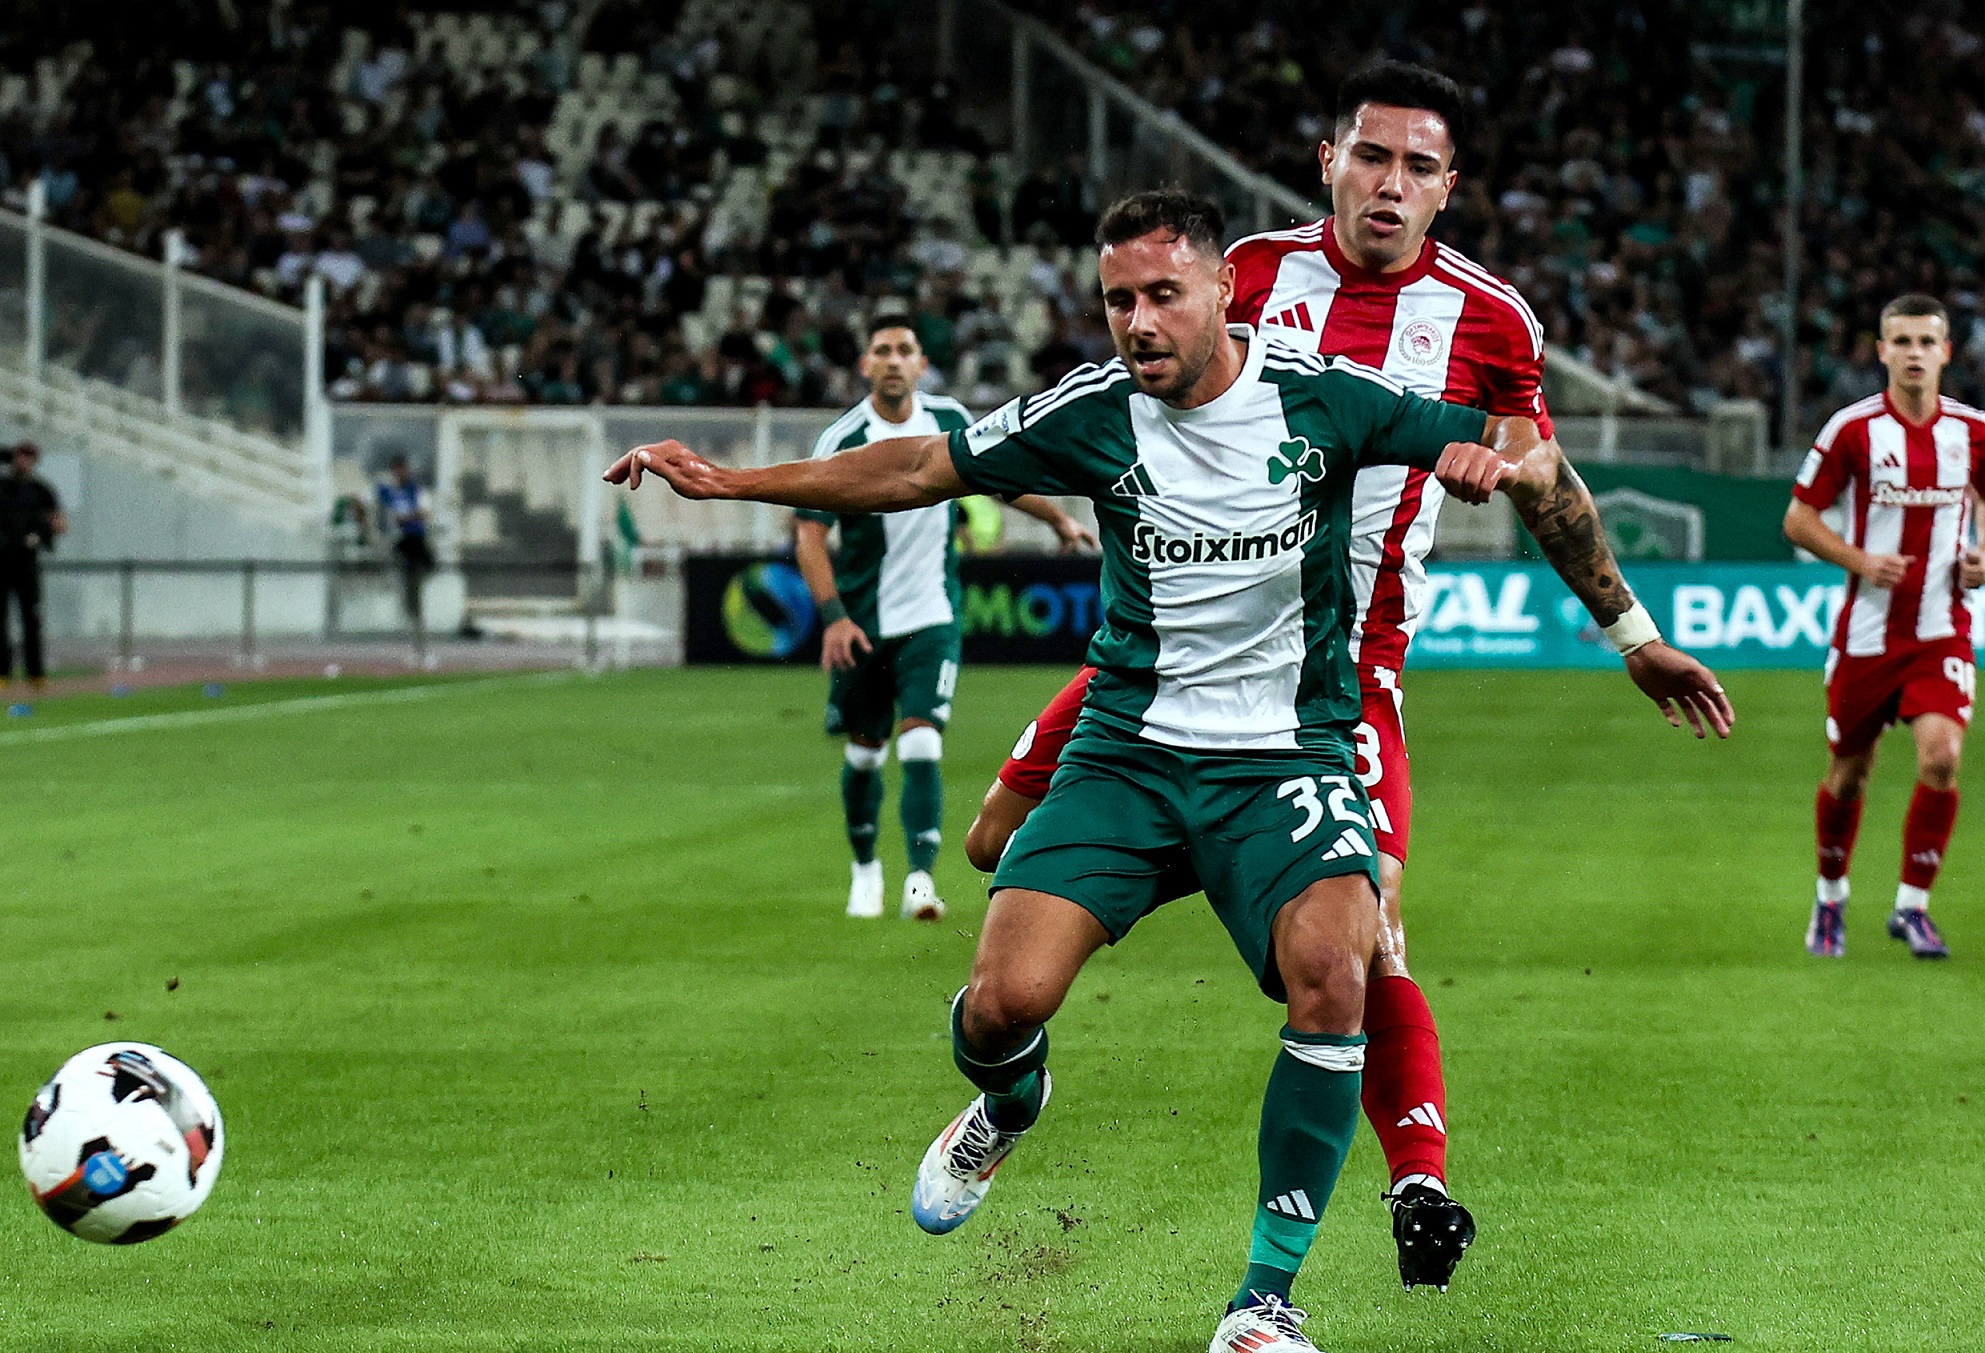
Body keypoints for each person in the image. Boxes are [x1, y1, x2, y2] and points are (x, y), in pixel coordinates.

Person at [607, 189, 1732, 1353]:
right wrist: (733, 484)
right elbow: (917, 469)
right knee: (1000, 1006)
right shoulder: (1091, 413)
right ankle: (1008, 1097)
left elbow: (1530, 460)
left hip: (1282, 755)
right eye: (1115, 301)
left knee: (1338, 970)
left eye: (1160, 296)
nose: (1136, 323)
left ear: (1222, 292)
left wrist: (1612, 615)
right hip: (1129, 749)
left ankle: (1262, 1303)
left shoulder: (1323, 398)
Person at [964, 58, 1732, 1297]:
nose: (1389, 184)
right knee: (988, 843)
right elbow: (1135, 394)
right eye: (1368, 156)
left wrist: (1629, 632)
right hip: (1161, 647)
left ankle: (1410, 1181)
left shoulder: (1491, 322)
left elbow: (1540, 481)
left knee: (1366, 936)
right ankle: (1014, 1074)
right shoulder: (1243, 273)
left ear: (1448, 187)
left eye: (1416, 166)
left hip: (1341, 673)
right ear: (1328, 160)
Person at [794, 318, 1094, 922]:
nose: (894, 361)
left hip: (932, 616)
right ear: (865, 366)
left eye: (905, 350)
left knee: (924, 739)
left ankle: (920, 881)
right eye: (882, 351)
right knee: (864, 753)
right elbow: (809, 533)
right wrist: (833, 617)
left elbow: (1002, 480)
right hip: (862, 623)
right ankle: (864, 869)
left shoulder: (950, 420)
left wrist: (1056, 519)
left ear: (921, 362)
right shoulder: (843, 438)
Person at [1786, 293, 1985, 960]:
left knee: (1941, 756)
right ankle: (1830, 895)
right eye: (1899, 341)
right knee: (1848, 774)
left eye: (1926, 342)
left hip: (1940, 630)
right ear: (1879, 351)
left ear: (1945, 353)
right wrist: (1858, 558)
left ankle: (1911, 907)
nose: (1912, 354)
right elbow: (1798, 517)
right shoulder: (1852, 429)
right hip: (1866, 636)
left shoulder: (1972, 431)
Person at [0, 441, 67, 690]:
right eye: (20, 456)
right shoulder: (2, 487)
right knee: (1, 619)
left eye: (29, 457)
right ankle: (2, 673)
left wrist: (42, 533)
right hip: (2, 561)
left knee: (32, 617)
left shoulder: (41, 491)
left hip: (27, 563)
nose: (24, 462)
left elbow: (60, 523)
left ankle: (35, 674)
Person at [376, 454, 435, 633]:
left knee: (414, 583)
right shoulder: (387, 491)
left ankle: (414, 616)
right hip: (397, 541)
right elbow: (385, 515)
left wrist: (406, 517)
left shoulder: (415, 490)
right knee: (406, 583)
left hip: (413, 542)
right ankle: (410, 613)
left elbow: (424, 512)